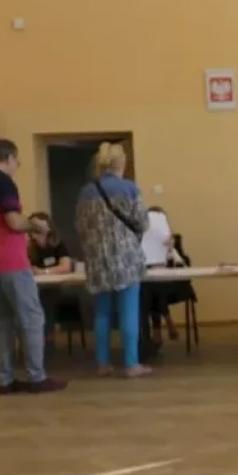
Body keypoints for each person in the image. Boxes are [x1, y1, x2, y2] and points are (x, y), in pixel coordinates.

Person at [0, 139, 66, 395]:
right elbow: (13, 222)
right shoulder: (4, 182)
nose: (16, 165)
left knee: (3, 323)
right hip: (9, 260)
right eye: (16, 160)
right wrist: (36, 226)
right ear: (9, 158)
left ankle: (5, 380)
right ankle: (36, 378)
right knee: (32, 318)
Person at [75, 142, 151, 378]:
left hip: (97, 259)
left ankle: (103, 363)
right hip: (125, 258)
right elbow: (143, 222)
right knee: (129, 311)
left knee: (102, 313)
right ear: (121, 163)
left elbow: (80, 226)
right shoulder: (129, 188)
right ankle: (131, 364)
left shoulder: (86, 192)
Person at [26, 211, 76, 344]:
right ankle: (34, 336)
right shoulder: (30, 246)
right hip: (36, 287)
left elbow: (66, 266)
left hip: (57, 286)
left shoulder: (57, 243)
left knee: (46, 297)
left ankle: (45, 336)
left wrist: (43, 272)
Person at [142, 206, 183, 343]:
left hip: (171, 281)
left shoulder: (170, 237)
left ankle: (157, 331)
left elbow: (180, 262)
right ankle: (167, 321)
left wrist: (170, 248)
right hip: (152, 281)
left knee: (154, 290)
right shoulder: (142, 238)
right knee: (152, 290)